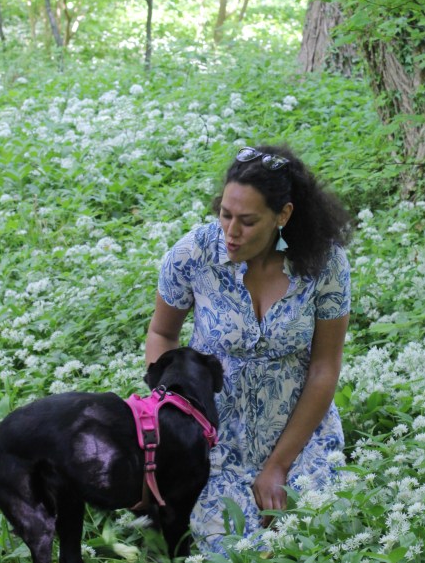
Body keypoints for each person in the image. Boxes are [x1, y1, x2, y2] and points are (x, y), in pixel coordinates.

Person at [145, 143, 352, 554]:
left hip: (300, 435)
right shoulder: (194, 254)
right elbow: (161, 334)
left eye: (247, 221)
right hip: (213, 439)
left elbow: (324, 368)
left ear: (283, 215)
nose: (231, 232)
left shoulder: (324, 262)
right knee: (232, 550)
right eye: (225, 214)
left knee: (309, 539)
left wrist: (278, 466)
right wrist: (169, 413)